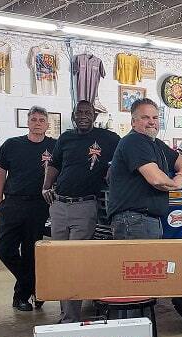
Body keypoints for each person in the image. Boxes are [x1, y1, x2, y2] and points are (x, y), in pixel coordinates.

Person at [42, 100, 120, 323]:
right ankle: (66, 313)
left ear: (95, 115)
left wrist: (112, 169)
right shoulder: (65, 138)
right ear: (74, 115)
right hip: (58, 206)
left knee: (75, 263)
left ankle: (70, 318)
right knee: (60, 262)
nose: (83, 115)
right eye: (79, 112)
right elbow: (55, 165)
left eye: (88, 112)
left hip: (85, 207)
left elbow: (127, 151)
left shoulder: (108, 138)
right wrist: (46, 186)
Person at [0, 105, 56, 312]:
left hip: (38, 206)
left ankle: (20, 297)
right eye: (33, 119)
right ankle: (34, 285)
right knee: (4, 250)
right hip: (12, 203)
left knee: (31, 253)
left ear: (47, 124)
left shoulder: (55, 147)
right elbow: (1, 173)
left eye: (41, 120)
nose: (37, 123)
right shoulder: (12, 145)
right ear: (27, 122)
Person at [107, 98, 182, 238]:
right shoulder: (134, 141)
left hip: (143, 221)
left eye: (155, 117)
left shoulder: (154, 143)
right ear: (133, 122)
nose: (152, 122)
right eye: (145, 117)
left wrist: (181, 173)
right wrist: (177, 183)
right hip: (134, 221)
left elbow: (179, 159)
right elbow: (157, 180)